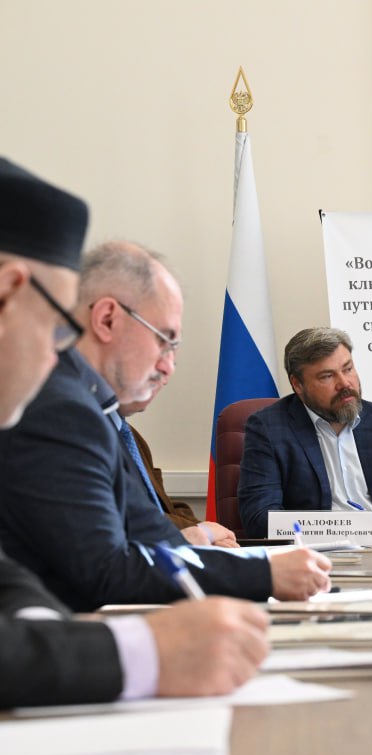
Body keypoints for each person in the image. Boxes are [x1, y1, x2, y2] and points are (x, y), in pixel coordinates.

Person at [0, 157, 269, 708]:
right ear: (7, 294)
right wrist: (148, 650)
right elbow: (102, 571)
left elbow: (9, 586)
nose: (58, 356)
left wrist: (44, 629)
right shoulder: (62, 407)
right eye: (58, 327)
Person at [0, 240, 331, 612]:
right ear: (107, 319)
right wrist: (264, 574)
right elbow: (107, 569)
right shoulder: (61, 409)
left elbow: (156, 540)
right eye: (165, 340)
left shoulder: (96, 411)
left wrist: (262, 567)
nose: (168, 366)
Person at [237, 327, 372, 540]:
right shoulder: (268, 428)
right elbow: (260, 518)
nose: (345, 383)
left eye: (348, 369)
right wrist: (350, 527)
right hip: (315, 552)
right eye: (327, 376)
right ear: (298, 384)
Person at [121, 378, 238, 547]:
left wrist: (205, 533)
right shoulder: (92, 434)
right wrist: (200, 532)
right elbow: (125, 515)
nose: (165, 378)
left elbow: (163, 505)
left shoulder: (131, 435)